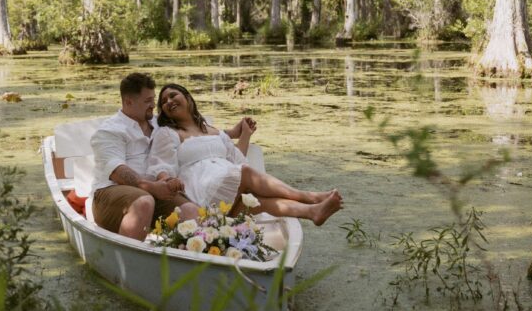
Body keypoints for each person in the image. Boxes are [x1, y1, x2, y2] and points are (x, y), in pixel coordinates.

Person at [147, 83, 343, 225]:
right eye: (163, 102)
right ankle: (308, 197)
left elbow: (236, 160)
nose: (168, 102)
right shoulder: (168, 133)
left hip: (226, 186)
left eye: (173, 95)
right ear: (164, 112)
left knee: (258, 204)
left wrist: (245, 135)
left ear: (188, 98)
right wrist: (167, 181)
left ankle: (312, 212)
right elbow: (160, 164)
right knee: (246, 173)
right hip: (202, 190)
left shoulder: (214, 131)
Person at [90, 73, 200, 240]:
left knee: (191, 210)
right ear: (128, 102)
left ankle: (187, 259)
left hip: (155, 191)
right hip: (110, 193)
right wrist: (151, 187)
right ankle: (126, 261)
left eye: (153, 99)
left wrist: (232, 133)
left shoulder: (159, 123)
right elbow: (117, 171)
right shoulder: (110, 130)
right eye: (147, 101)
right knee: (144, 202)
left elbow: (193, 130)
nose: (153, 105)